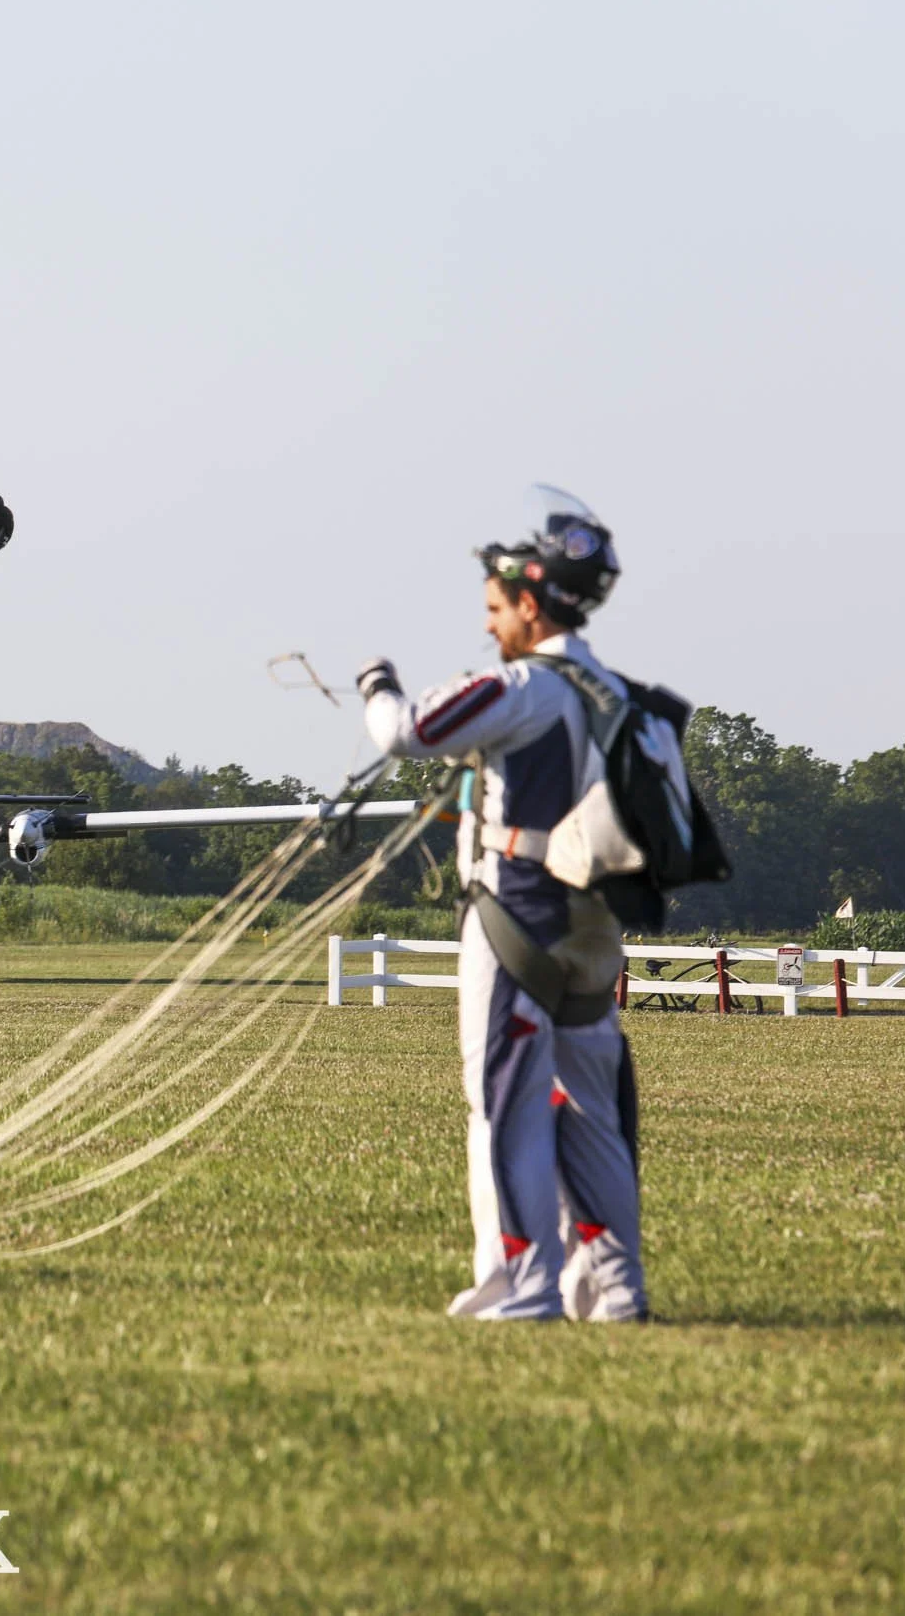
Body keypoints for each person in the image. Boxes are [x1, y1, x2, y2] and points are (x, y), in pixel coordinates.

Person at [356, 487, 647, 1323]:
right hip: (594, 926)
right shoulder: (614, 692)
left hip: (516, 916)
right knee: (591, 1112)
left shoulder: (522, 685)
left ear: (529, 603)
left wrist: (376, 681)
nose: (489, 626)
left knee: (507, 1109)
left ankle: (521, 1286)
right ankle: (613, 1289)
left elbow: (406, 729)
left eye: (495, 608)